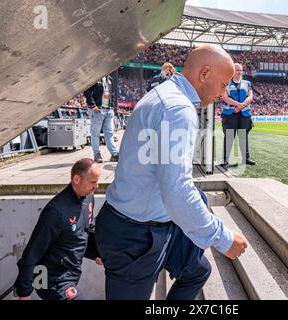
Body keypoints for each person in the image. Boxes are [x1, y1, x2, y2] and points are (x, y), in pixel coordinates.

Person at [95, 44, 248, 300]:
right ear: (204, 73)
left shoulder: (165, 94)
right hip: (135, 237)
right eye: (222, 85)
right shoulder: (178, 110)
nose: (223, 94)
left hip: (150, 222)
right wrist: (223, 238)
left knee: (198, 271)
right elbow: (177, 190)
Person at [13, 159, 102, 300]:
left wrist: (97, 252)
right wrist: (24, 292)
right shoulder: (55, 212)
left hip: (69, 276)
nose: (96, 186)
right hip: (49, 280)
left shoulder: (88, 199)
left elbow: (83, 232)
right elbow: (32, 252)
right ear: (76, 179)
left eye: (97, 181)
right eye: (92, 182)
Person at [220, 63, 255, 167]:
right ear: (232, 71)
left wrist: (241, 106)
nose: (239, 72)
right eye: (237, 70)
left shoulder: (247, 83)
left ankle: (246, 158)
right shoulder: (226, 84)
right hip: (230, 114)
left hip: (244, 114)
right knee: (229, 136)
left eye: (240, 70)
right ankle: (225, 159)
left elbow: (250, 96)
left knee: (243, 136)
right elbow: (225, 97)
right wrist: (238, 105)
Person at [84, 76, 119, 163]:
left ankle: (114, 154)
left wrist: (112, 107)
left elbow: (112, 93)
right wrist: (93, 106)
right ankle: (97, 154)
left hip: (108, 110)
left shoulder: (110, 79)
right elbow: (87, 92)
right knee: (95, 133)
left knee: (110, 133)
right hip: (98, 110)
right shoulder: (96, 76)